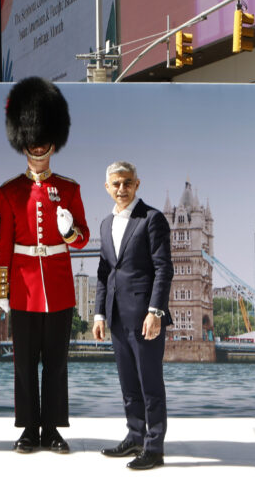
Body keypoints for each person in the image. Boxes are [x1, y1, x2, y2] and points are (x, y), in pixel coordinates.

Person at [0, 77, 88, 454]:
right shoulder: (10, 191)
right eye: (31, 141)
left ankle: (51, 428)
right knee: (23, 364)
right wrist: (3, 291)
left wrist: (68, 232)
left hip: (59, 285)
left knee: (55, 363)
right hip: (22, 285)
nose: (37, 147)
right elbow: (3, 246)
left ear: (53, 141)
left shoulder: (69, 188)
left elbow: (81, 238)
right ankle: (28, 429)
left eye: (43, 140)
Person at [93, 161, 172, 470]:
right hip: (115, 315)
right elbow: (103, 273)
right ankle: (135, 435)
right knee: (128, 382)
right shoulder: (104, 225)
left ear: (137, 184)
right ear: (107, 188)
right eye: (116, 184)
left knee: (149, 382)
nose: (121, 189)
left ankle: (154, 447)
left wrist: (156, 311)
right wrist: (99, 313)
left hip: (144, 316)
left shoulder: (152, 219)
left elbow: (164, 268)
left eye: (127, 183)